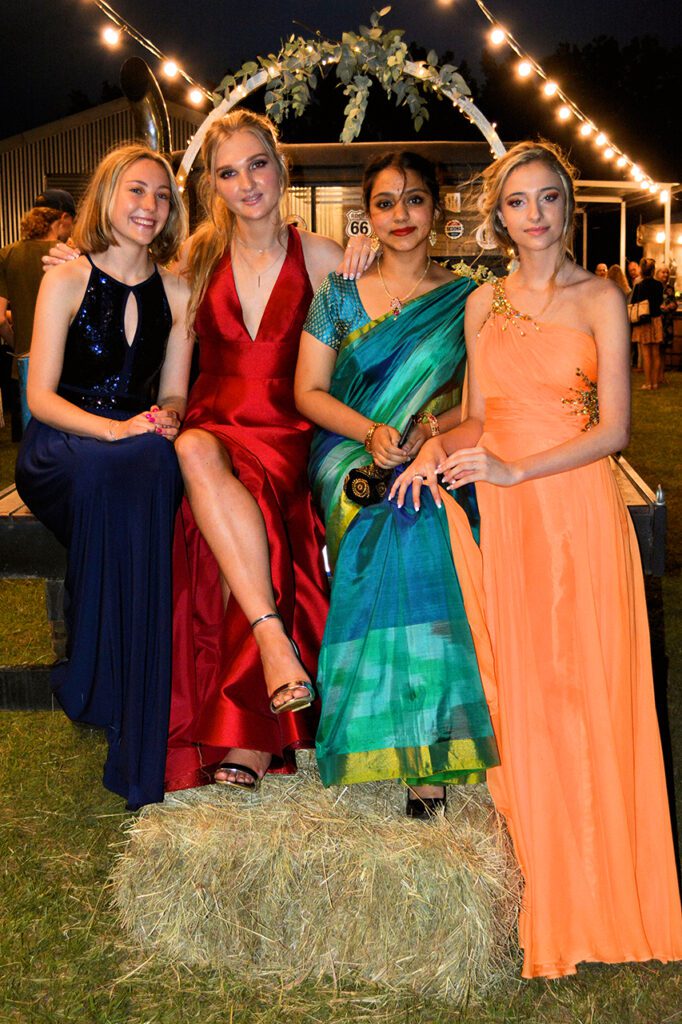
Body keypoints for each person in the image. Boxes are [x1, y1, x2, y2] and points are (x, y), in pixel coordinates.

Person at [392, 141, 682, 974]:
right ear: (499, 215)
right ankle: (545, 870)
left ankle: (606, 886)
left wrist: (518, 470)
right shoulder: (483, 305)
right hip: (511, 515)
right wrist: (431, 447)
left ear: (568, 205)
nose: (535, 215)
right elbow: (481, 417)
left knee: (586, 684)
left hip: (575, 506)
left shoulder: (601, 297)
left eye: (548, 198)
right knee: (530, 688)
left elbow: (614, 429)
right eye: (518, 202)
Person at [165, 110, 374, 793]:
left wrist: (371, 250)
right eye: (228, 172)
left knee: (239, 499)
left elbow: (372, 348)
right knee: (195, 451)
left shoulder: (322, 257)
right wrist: (72, 261)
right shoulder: (194, 259)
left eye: (257, 164)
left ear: (281, 168)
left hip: (288, 437)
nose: (247, 182)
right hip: (212, 428)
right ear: (213, 185)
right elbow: (173, 374)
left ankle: (248, 727)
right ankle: (271, 641)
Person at [295, 151, 499, 817]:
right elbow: (308, 392)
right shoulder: (339, 294)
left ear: (436, 209)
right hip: (347, 450)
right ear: (368, 216)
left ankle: (428, 750)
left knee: (422, 513)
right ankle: (383, 728)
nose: (401, 215)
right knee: (387, 512)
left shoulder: (467, 298)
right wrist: (372, 433)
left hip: (435, 448)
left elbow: (479, 404)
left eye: (414, 200)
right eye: (385, 203)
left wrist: (426, 434)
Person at [15, 146, 192, 810]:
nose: (150, 206)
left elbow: (173, 392)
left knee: (155, 462)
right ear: (108, 197)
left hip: (133, 443)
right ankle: (100, 678)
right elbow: (40, 398)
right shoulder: (66, 278)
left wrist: (168, 416)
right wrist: (115, 431)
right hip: (62, 443)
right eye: (136, 191)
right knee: (120, 470)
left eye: (162, 195)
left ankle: (118, 694)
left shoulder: (179, 292)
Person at [0, 189, 76, 438]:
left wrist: (20, 345)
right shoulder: (73, 258)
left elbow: (0, 319)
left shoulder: (8, 254)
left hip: (25, 366)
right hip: (68, 366)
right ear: (64, 218)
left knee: (31, 443)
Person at [631, 257, 664, 390]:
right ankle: (655, 383)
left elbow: (633, 303)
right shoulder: (659, 285)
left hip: (643, 321)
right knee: (656, 353)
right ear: (653, 270)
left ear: (642, 271)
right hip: (656, 320)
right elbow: (660, 301)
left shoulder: (639, 286)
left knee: (646, 354)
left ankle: (648, 383)